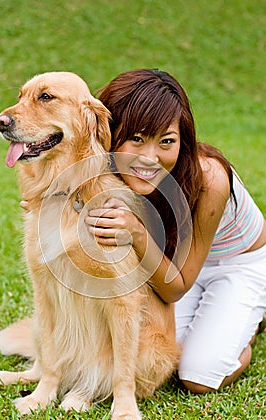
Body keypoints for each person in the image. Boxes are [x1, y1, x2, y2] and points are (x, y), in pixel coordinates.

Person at [84, 68, 266, 394]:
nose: (150, 159)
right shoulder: (106, 168)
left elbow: (174, 288)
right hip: (175, 263)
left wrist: (138, 233)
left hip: (239, 264)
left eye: (166, 141)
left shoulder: (208, 177)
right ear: (111, 133)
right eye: (136, 139)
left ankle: (251, 324)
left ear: (183, 139)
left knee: (196, 376)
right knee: (156, 352)